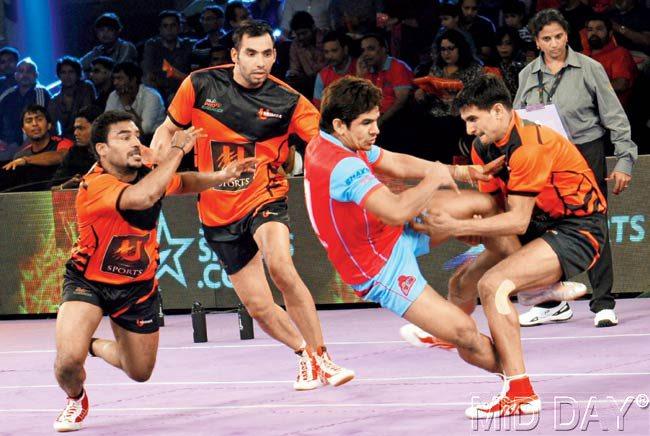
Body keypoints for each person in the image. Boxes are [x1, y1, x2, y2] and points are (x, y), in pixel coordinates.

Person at [151, 20, 355, 390]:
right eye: (251, 53)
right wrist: (158, 159)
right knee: (259, 306)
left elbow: (328, 146)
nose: (260, 62)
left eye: (267, 54)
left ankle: (322, 355)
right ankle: (303, 356)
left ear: (275, 56)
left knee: (280, 265)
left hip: (266, 196)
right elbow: (167, 128)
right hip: (217, 211)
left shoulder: (289, 101)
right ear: (234, 55)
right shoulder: (199, 84)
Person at [410, 74, 607, 418]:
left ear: (498, 111)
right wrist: (474, 230)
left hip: (578, 230)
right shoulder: (483, 146)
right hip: (538, 226)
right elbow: (493, 210)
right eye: (465, 121)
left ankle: (520, 392)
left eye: (474, 119)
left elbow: (515, 221)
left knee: (493, 285)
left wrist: (457, 225)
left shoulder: (529, 146)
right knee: (461, 283)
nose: (469, 129)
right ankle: (451, 328)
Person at [52, 110, 256, 432]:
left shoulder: (148, 171)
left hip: (137, 286)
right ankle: (75, 397)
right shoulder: (95, 185)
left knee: (140, 371)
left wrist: (221, 176)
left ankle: (90, 344)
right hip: (88, 280)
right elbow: (144, 195)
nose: (136, 142)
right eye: (124, 137)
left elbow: (180, 182)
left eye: (136, 135)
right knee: (67, 363)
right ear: (102, 150)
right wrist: (176, 151)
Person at [513, 9, 638, 327]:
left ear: (567, 36)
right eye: (546, 38)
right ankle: (551, 302)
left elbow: (615, 116)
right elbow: (516, 119)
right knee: (539, 228)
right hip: (543, 156)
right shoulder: (527, 74)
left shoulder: (589, 67)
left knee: (592, 224)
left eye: (558, 36)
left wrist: (624, 159)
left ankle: (603, 302)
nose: (553, 44)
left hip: (584, 151)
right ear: (537, 42)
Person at [2, 104, 73, 190]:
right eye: (29, 121)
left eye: (39, 119)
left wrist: (26, 160)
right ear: (23, 130)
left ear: (49, 125)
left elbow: (62, 156)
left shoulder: (63, 143)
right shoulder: (20, 155)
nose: (34, 124)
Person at [51, 105, 103, 188]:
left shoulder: (112, 152)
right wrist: (65, 185)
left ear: (97, 128)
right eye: (75, 128)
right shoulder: (74, 152)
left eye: (81, 128)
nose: (75, 133)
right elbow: (52, 188)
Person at [48, 56, 96, 139]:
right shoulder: (55, 100)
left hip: (89, 136)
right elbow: (52, 128)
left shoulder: (86, 88)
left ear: (77, 74)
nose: (67, 76)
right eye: (63, 72)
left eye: (71, 72)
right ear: (59, 75)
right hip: (67, 141)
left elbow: (92, 114)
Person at [313, 31, 357, 108]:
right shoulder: (322, 75)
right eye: (326, 52)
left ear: (345, 50)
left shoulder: (360, 68)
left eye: (334, 51)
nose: (330, 56)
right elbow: (318, 106)